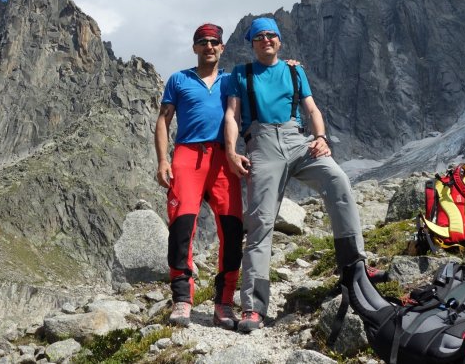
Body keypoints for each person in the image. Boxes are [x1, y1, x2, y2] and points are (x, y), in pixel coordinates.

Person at [224, 16, 383, 333]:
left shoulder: (296, 71)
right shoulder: (240, 74)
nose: (266, 40)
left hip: (299, 141)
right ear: (252, 43)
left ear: (279, 41)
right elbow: (232, 114)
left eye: (271, 36)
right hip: (262, 144)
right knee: (260, 222)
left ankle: (354, 267)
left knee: (337, 179)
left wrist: (321, 137)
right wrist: (231, 151)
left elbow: (311, 110)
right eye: (259, 37)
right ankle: (254, 309)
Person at [155, 23, 243, 330]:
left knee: (232, 230)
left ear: (222, 48)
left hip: (223, 158)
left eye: (214, 42)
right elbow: (164, 120)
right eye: (202, 42)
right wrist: (163, 160)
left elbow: (265, 75)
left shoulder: (234, 79)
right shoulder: (179, 79)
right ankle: (182, 299)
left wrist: (289, 67)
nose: (208, 46)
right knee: (181, 227)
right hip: (187, 157)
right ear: (195, 47)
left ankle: (225, 303)